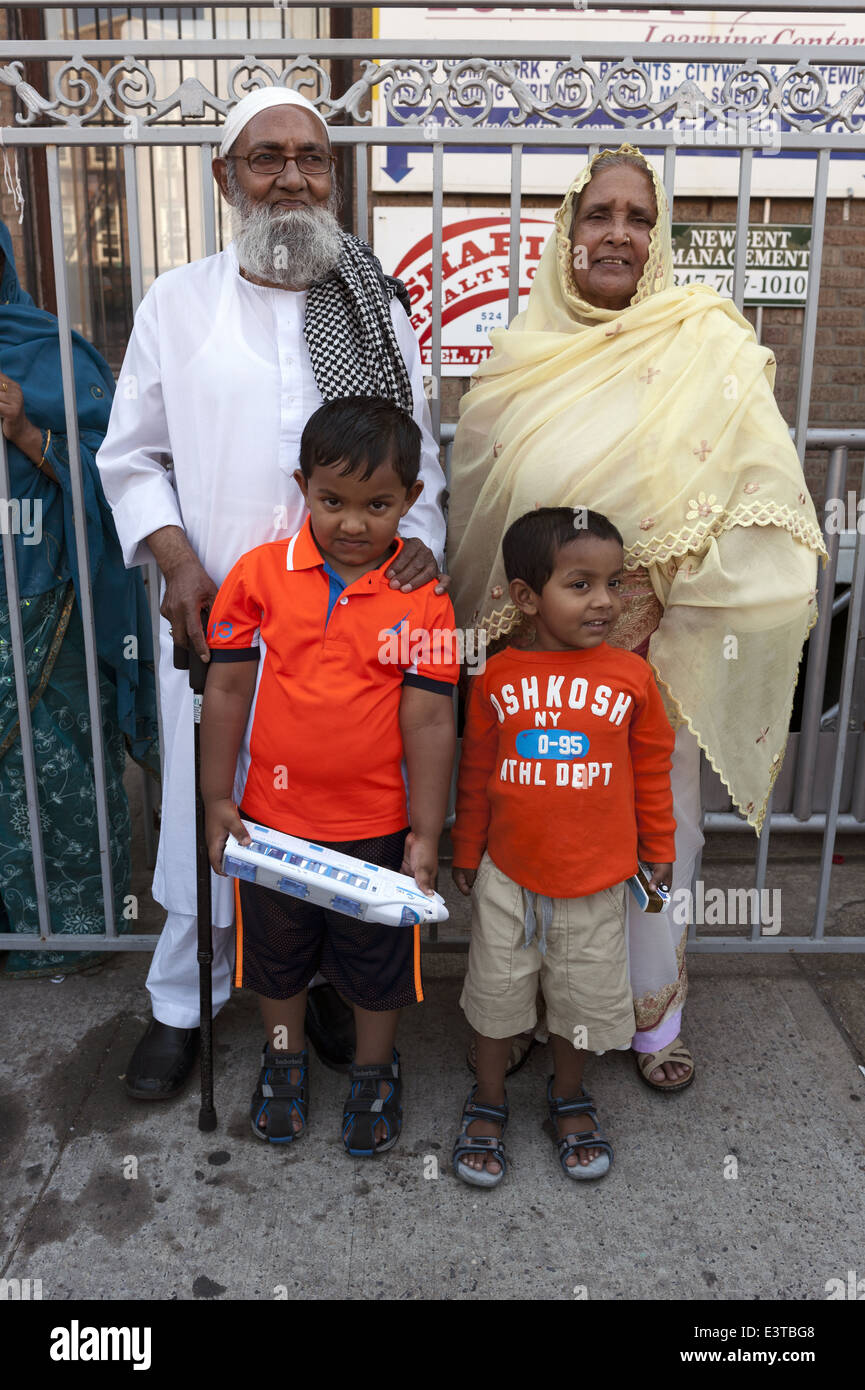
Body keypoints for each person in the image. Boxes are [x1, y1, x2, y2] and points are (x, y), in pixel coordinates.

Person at [447, 144, 825, 1093]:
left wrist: (648, 607)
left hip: (649, 657)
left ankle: (653, 1016)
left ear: (655, 239)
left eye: (638, 217)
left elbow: (755, 502)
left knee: (658, 831)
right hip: (532, 663)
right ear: (567, 234)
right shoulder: (513, 365)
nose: (617, 232)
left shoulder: (705, 341)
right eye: (598, 215)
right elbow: (483, 525)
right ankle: (529, 1007)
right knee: (533, 825)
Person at [97, 88, 448, 1098]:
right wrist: (175, 564)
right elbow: (130, 457)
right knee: (209, 817)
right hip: (225, 622)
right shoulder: (178, 301)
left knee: (338, 810)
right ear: (225, 178)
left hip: (350, 626)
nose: (291, 175)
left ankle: (327, 982)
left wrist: (417, 550)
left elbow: (411, 458)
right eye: (266, 158)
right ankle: (184, 1002)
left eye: (310, 157)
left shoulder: (374, 306)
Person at [200, 397, 457, 1151]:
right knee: (275, 962)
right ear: (301, 486)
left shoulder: (425, 599)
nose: (352, 523)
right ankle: (283, 1061)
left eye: (378, 505)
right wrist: (217, 797)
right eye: (331, 500)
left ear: (411, 500)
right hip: (269, 823)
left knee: (377, 964)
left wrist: (426, 831)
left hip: (377, 830)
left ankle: (374, 1071)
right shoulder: (257, 578)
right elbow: (225, 689)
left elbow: (432, 719)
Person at [450, 507, 675, 1185]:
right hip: (506, 879)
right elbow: (475, 774)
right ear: (525, 597)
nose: (604, 601)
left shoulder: (632, 680)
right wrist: (466, 852)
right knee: (496, 998)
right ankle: (487, 1100)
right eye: (580, 584)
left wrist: (657, 849)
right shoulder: (495, 677)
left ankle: (567, 1096)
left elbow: (651, 775)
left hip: (596, 882)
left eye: (613, 583)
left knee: (578, 1003)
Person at [0, 220, 158, 978]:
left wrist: (29, 432)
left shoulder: (50, 354)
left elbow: (120, 470)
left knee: (59, 767)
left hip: (47, 604)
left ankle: (73, 929)